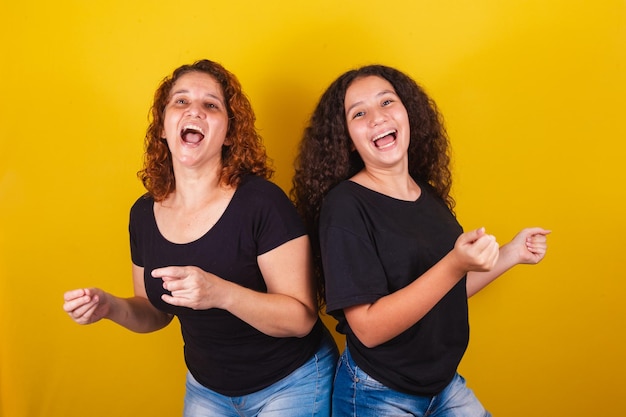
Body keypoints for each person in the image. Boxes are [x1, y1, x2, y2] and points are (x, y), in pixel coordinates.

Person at [63, 59, 338, 417]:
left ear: (228, 134)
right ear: (163, 127)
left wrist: (218, 293)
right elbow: (155, 312)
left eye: (211, 104)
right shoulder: (143, 214)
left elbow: (299, 319)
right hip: (207, 389)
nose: (194, 110)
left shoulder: (262, 203)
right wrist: (109, 307)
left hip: (292, 381)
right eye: (181, 101)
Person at [291, 64, 550, 417]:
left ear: (407, 112)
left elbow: (445, 290)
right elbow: (367, 329)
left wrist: (512, 252)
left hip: (442, 384)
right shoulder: (345, 207)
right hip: (377, 393)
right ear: (347, 140)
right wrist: (454, 263)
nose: (377, 118)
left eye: (386, 102)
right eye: (359, 113)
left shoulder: (427, 196)